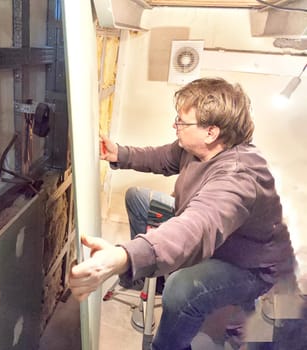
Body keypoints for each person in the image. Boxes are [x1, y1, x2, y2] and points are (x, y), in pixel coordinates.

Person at [68, 77, 296, 350]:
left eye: (181, 121)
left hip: (248, 266)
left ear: (211, 132)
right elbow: (163, 157)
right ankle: (149, 276)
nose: (174, 125)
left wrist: (123, 256)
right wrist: (120, 153)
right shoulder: (196, 149)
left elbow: (198, 226)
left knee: (182, 286)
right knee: (139, 199)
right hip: (218, 239)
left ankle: (166, 343)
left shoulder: (238, 176)